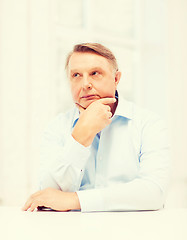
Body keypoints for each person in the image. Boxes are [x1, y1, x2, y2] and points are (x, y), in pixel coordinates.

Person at [22, 43, 170, 212]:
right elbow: (48, 195)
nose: (85, 84)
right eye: (76, 75)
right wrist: (81, 134)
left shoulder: (149, 124)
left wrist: (75, 200)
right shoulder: (57, 127)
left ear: (116, 79)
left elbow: (154, 192)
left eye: (95, 73)